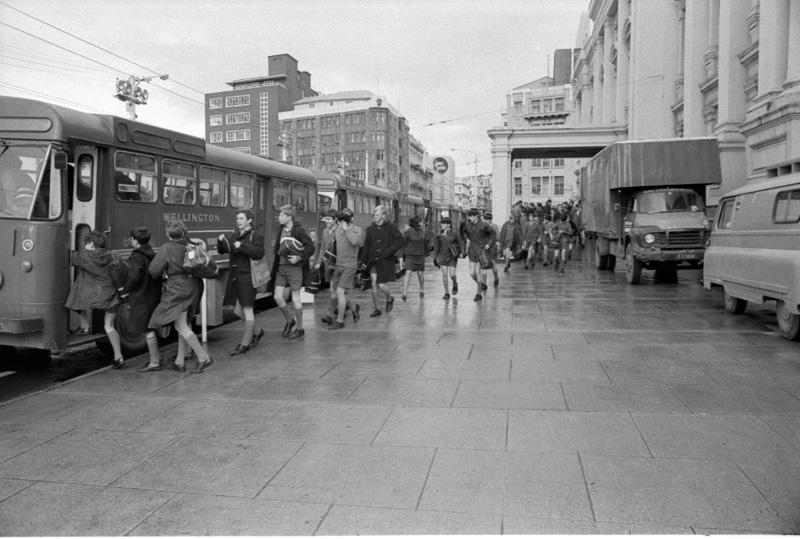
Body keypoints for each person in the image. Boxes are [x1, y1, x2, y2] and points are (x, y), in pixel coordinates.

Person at [148, 220, 213, 373]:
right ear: (184, 233)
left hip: (177, 288)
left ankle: (203, 357)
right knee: (183, 323)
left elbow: (154, 270)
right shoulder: (190, 245)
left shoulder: (167, 248)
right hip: (193, 286)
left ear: (167, 233)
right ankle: (179, 361)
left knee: (181, 326)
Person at [65, 230, 125, 368]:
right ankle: (118, 356)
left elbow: (69, 256)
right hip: (112, 295)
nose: (85, 246)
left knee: (74, 296)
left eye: (86, 243)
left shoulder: (85, 257)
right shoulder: (114, 255)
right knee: (109, 326)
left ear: (91, 244)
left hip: (94, 295)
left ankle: (84, 324)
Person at [217, 209, 266, 355]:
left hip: (248, 277)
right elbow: (224, 250)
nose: (238, 221)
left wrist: (241, 246)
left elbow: (259, 253)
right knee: (236, 310)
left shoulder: (256, 235)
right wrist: (221, 242)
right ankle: (258, 331)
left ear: (249, 220)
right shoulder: (235, 235)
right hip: (235, 276)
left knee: (247, 309)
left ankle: (245, 343)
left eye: (241, 218)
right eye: (237, 218)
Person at [118, 227, 164, 373]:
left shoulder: (137, 255)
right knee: (150, 326)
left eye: (131, 238)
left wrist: (127, 288)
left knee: (146, 328)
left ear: (135, 241)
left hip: (141, 295)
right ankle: (157, 356)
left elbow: (134, 276)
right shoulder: (151, 253)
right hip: (152, 293)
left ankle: (154, 361)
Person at [270, 204, 315, 339]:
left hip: (294, 268)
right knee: (278, 296)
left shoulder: (298, 231)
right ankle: (290, 321)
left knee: (296, 298)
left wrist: (299, 257)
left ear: (289, 217)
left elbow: (310, 247)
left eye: (282, 216)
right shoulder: (280, 229)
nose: (279, 218)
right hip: (281, 268)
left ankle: (300, 329)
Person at [360, 204, 404, 317]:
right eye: (374, 214)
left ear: (383, 216)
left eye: (377, 214)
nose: (374, 216)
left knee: (381, 284)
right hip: (372, 259)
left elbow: (400, 240)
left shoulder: (391, 227)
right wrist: (363, 262)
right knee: (374, 282)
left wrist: (389, 251)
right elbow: (366, 245)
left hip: (385, 259)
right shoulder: (370, 228)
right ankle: (377, 309)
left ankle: (389, 298)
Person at [327, 208, 363, 330]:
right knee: (336, 290)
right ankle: (353, 307)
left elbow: (355, 241)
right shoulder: (337, 230)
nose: (344, 220)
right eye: (342, 218)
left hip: (350, 265)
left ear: (352, 218)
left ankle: (340, 320)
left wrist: (347, 228)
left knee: (340, 291)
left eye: (347, 218)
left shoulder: (357, 230)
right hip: (338, 264)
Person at [460, 208, 497, 301]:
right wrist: (466, 239)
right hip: (472, 250)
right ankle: (481, 284)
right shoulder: (467, 225)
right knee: (472, 273)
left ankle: (478, 293)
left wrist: (488, 244)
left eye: (471, 216)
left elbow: (493, 234)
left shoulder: (484, 225)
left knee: (477, 272)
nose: (469, 218)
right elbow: (463, 232)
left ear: (476, 216)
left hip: (481, 251)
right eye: (469, 216)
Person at [315, 209, 340, 325]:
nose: (326, 221)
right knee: (336, 290)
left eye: (329, 219)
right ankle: (353, 307)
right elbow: (323, 249)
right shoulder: (325, 232)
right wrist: (319, 263)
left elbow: (341, 249)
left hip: (337, 265)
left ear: (335, 220)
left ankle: (331, 315)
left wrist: (337, 263)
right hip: (327, 264)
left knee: (333, 289)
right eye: (325, 219)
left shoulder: (340, 232)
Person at [432, 216, 464, 299]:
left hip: (452, 256)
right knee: (445, 274)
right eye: (442, 223)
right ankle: (446, 292)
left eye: (444, 223)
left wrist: (463, 252)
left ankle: (455, 283)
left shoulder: (454, 233)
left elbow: (461, 242)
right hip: (442, 256)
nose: (442, 225)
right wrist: (435, 258)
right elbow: (436, 247)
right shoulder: (438, 234)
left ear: (448, 225)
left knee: (452, 274)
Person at [400, 216, 428, 300]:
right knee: (408, 273)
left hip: (420, 255)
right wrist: (401, 256)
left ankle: (421, 289)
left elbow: (425, 243)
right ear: (417, 223)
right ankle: (404, 293)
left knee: (420, 274)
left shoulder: (422, 231)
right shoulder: (408, 232)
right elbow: (403, 244)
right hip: (410, 255)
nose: (422, 223)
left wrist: (428, 255)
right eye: (421, 222)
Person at [482, 211, 501, 288]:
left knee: (492, 264)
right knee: (483, 265)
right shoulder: (481, 226)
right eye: (485, 219)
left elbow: (498, 237)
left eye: (487, 219)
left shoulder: (495, 226)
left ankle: (496, 278)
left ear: (491, 220)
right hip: (484, 248)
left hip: (492, 248)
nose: (486, 221)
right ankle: (484, 283)